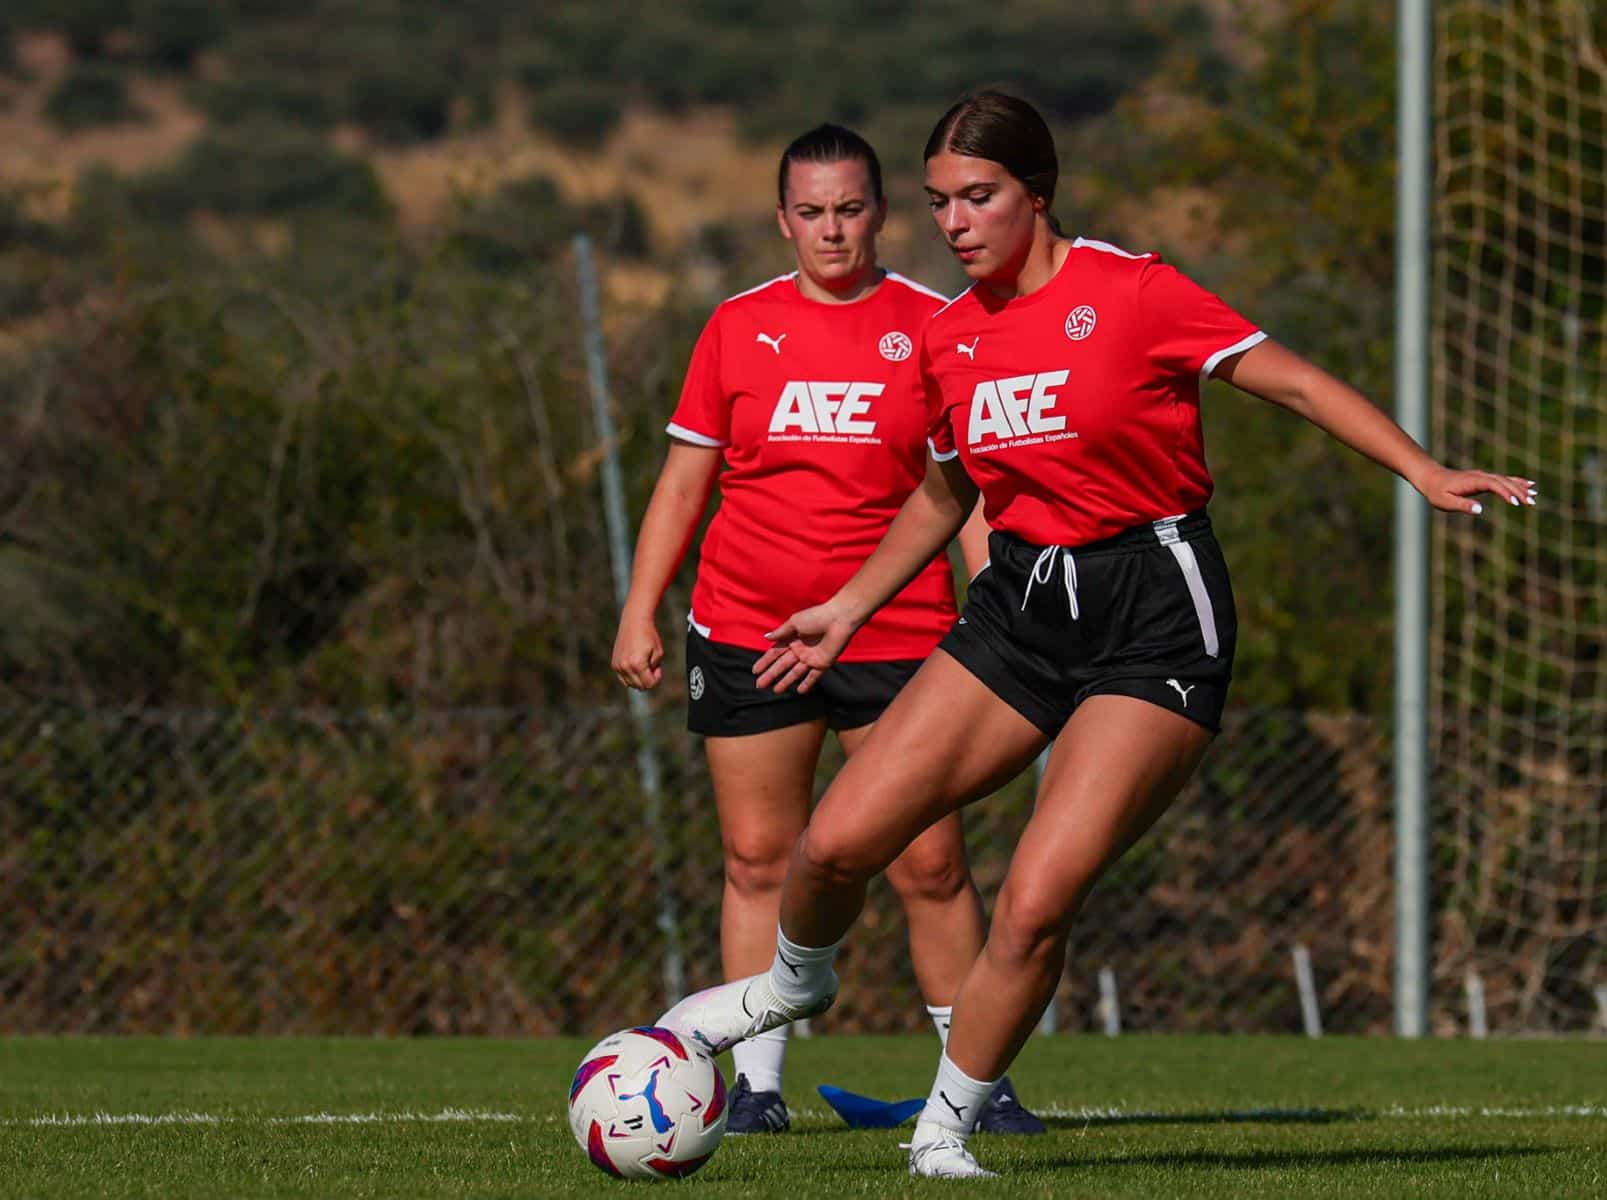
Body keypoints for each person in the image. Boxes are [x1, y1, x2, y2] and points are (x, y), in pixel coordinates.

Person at [657, 92, 1536, 1176]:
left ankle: (946, 1130)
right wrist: (849, 608)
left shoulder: (1132, 291)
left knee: (1034, 899)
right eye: (938, 202)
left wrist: (1421, 468)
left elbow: (1298, 384)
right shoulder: (948, 336)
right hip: (1022, 609)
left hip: (1152, 619)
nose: (955, 222)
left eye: (979, 196)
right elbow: (946, 489)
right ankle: (794, 986)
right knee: (834, 845)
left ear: (1037, 192)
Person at [612, 122, 1044, 1137]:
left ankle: (977, 1090)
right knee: (758, 859)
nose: (832, 231)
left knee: (930, 866)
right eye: (811, 212)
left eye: (850, 209)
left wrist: (1000, 602)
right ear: (782, 220)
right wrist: (638, 609)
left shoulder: (936, 325)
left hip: (902, 637)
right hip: (747, 631)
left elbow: (965, 490)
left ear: (882, 212)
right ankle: (757, 1089)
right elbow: (685, 482)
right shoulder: (736, 326)